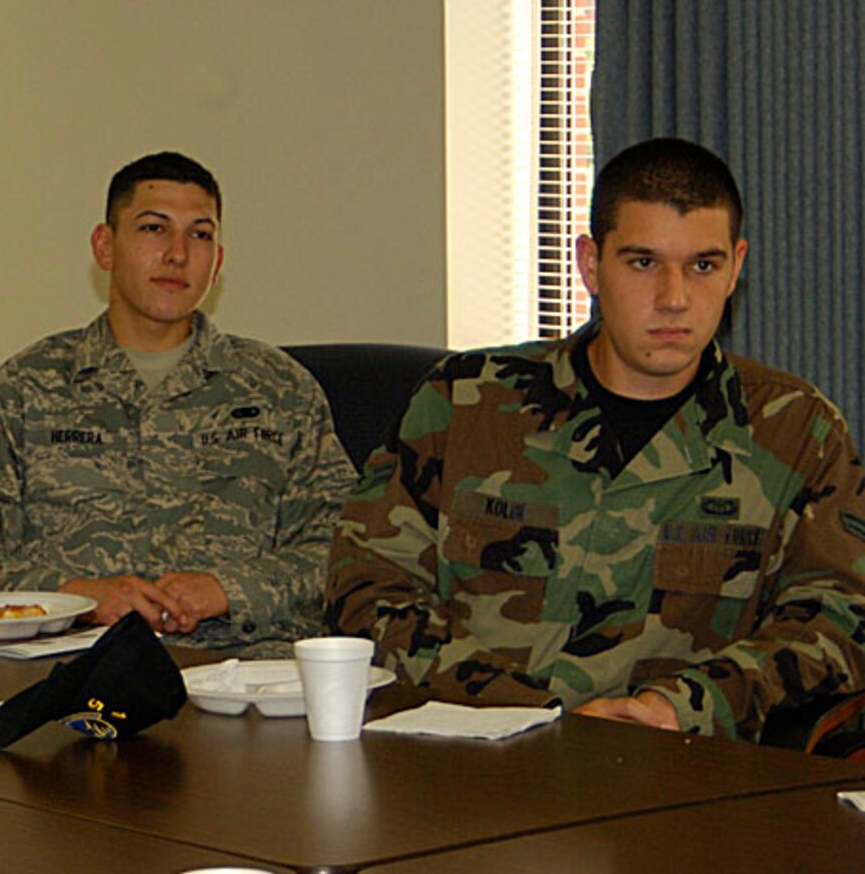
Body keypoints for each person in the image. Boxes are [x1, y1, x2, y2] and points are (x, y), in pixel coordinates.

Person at [325, 137, 865, 740]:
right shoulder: (466, 402)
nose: (674, 298)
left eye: (703, 266)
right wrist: (521, 708)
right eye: (642, 263)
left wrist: (685, 704)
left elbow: (838, 616)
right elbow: (366, 584)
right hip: (467, 760)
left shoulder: (794, 428)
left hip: (673, 772)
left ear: (737, 266)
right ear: (590, 264)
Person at [0, 152, 351, 656]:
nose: (178, 254)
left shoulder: (279, 391)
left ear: (218, 261)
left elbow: (348, 551)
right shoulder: (28, 387)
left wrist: (230, 589)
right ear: (105, 246)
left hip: (240, 672)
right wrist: (73, 596)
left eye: (200, 235)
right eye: (154, 229)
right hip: (69, 666)